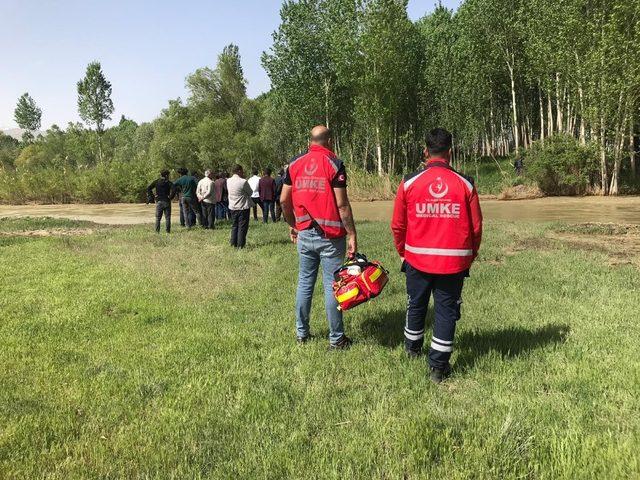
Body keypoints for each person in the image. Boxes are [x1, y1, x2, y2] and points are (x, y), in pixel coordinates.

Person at [391, 128, 483, 384]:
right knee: (445, 311)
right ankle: (438, 368)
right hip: (453, 263)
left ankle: (412, 349)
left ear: (425, 151)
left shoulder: (408, 183)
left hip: (417, 260)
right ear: (450, 153)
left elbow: (398, 225)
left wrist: (403, 252)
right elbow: (476, 228)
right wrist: (470, 256)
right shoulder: (465, 183)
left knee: (415, 304)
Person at [280, 125, 357, 349]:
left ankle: (301, 334)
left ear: (309, 143)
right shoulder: (334, 163)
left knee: (305, 283)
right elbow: (342, 205)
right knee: (332, 285)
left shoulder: (293, 164)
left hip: (305, 232)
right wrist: (351, 233)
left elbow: (284, 200)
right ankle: (336, 339)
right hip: (331, 236)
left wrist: (293, 225)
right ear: (330, 143)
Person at [227, 164, 254, 249]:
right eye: (242, 171)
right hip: (242, 207)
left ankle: (233, 243)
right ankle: (240, 245)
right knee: (242, 227)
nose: (243, 172)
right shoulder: (243, 181)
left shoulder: (228, 180)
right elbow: (250, 192)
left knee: (234, 226)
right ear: (239, 171)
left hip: (232, 206)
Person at [146, 169, 175, 233]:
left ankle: (157, 232)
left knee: (158, 218)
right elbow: (174, 189)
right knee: (167, 218)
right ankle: (168, 232)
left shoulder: (156, 181)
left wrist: (153, 196)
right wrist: (170, 197)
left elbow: (148, 188)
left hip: (159, 202)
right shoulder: (169, 182)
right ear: (166, 175)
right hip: (167, 201)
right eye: (168, 175)